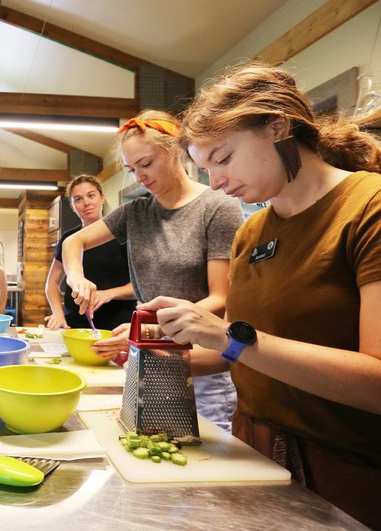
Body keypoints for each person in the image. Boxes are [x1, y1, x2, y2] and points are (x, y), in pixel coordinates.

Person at [137, 63, 381, 528]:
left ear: (278, 126)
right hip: (252, 456)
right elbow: (244, 356)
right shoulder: (251, 232)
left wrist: (230, 336)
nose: (216, 183)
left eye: (223, 159)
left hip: (344, 477)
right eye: (205, 169)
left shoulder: (368, 208)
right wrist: (156, 354)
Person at [63, 110, 244, 430]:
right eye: (133, 169)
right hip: (149, 358)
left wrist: (146, 330)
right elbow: (73, 243)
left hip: (202, 363)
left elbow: (220, 298)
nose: (139, 178)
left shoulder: (217, 206)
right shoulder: (136, 212)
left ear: (177, 150)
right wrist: (77, 278)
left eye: (146, 164)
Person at [44, 175, 135, 330]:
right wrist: (58, 313)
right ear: (72, 206)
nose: (86, 203)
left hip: (119, 326)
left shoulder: (125, 235)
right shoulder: (69, 239)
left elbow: (140, 286)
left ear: (102, 197)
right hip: (75, 325)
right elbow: (52, 282)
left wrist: (108, 294)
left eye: (91, 195)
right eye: (78, 199)